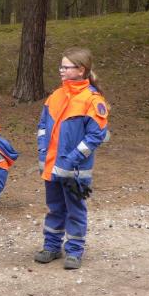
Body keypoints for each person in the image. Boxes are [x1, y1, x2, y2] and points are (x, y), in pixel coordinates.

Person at [34, 47, 109, 270]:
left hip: (75, 172)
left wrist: (70, 160)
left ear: (81, 70)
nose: (61, 70)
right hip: (51, 168)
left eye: (66, 67)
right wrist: (42, 152)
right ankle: (51, 246)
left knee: (75, 210)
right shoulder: (55, 96)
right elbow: (42, 127)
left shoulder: (92, 100)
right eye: (61, 66)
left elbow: (95, 136)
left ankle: (75, 251)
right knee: (54, 208)